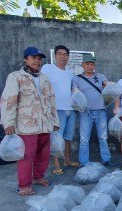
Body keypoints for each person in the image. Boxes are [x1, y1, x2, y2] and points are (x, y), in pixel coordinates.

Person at [0, 47, 59, 195]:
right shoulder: (16, 77)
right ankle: (24, 185)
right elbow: (9, 101)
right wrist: (8, 123)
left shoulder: (45, 79)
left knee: (43, 155)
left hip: (45, 124)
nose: (37, 61)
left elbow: (51, 101)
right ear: (26, 59)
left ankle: (38, 178)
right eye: (33, 58)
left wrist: (55, 121)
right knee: (26, 156)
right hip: (27, 125)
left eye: (39, 58)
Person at [41, 45, 79, 175]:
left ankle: (67, 160)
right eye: (60, 54)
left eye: (65, 54)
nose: (63, 57)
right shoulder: (48, 68)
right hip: (57, 109)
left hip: (71, 109)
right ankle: (57, 164)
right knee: (57, 137)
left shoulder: (70, 73)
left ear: (68, 57)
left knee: (68, 137)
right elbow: (42, 87)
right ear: (55, 55)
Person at [72, 54, 116, 167]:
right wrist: (75, 91)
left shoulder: (100, 76)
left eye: (92, 64)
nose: (90, 66)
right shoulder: (76, 79)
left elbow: (106, 84)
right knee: (84, 139)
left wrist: (110, 84)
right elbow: (74, 93)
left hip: (101, 111)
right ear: (83, 65)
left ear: (94, 65)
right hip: (85, 113)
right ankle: (83, 162)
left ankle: (106, 159)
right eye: (87, 64)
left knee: (103, 137)